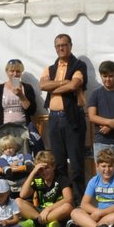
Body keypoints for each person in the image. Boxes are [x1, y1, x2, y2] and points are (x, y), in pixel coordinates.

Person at [39, 33, 89, 198]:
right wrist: (62, 83)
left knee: (75, 162)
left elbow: (74, 84)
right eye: (58, 46)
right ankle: (62, 197)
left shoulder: (79, 65)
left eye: (64, 45)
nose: (61, 48)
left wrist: (53, 87)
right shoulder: (50, 68)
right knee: (58, 163)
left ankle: (78, 200)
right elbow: (42, 85)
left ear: (70, 46)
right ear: (55, 48)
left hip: (72, 117)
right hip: (53, 118)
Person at [71, 149, 114, 227]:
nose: (107, 170)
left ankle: (84, 225)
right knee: (75, 212)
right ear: (97, 166)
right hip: (100, 214)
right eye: (103, 166)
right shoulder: (94, 180)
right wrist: (96, 211)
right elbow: (84, 204)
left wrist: (99, 213)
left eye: (110, 166)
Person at [0, 59, 41, 153]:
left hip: (23, 129)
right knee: (6, 153)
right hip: (5, 129)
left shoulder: (27, 88)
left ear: (21, 72)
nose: (15, 74)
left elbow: (32, 111)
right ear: (7, 72)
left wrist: (21, 96)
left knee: (24, 152)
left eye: (18, 71)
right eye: (12, 71)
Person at [17, 150, 75, 227]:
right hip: (40, 212)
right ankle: (47, 224)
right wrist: (33, 173)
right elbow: (22, 195)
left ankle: (35, 223)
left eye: (46, 168)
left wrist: (48, 209)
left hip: (55, 211)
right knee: (17, 202)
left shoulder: (61, 178)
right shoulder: (38, 179)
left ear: (53, 166)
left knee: (67, 207)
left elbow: (68, 198)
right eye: (40, 170)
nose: (44, 172)